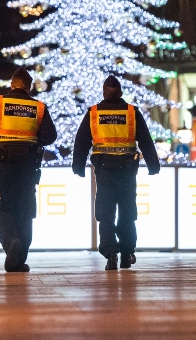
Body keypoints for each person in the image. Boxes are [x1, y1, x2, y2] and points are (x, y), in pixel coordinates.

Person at [71, 75, 160, 270]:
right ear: (120, 92)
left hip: (104, 171)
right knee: (128, 212)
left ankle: (111, 254)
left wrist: (78, 166)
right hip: (128, 170)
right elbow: (145, 139)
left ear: (104, 92)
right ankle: (127, 253)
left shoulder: (94, 113)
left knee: (106, 212)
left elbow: (82, 141)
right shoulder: (131, 112)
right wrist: (154, 165)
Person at [0, 67, 56, 272]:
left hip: (3, 164)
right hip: (29, 165)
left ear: (12, 84)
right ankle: (19, 260)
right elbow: (50, 136)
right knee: (25, 209)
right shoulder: (38, 107)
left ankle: (11, 242)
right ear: (29, 87)